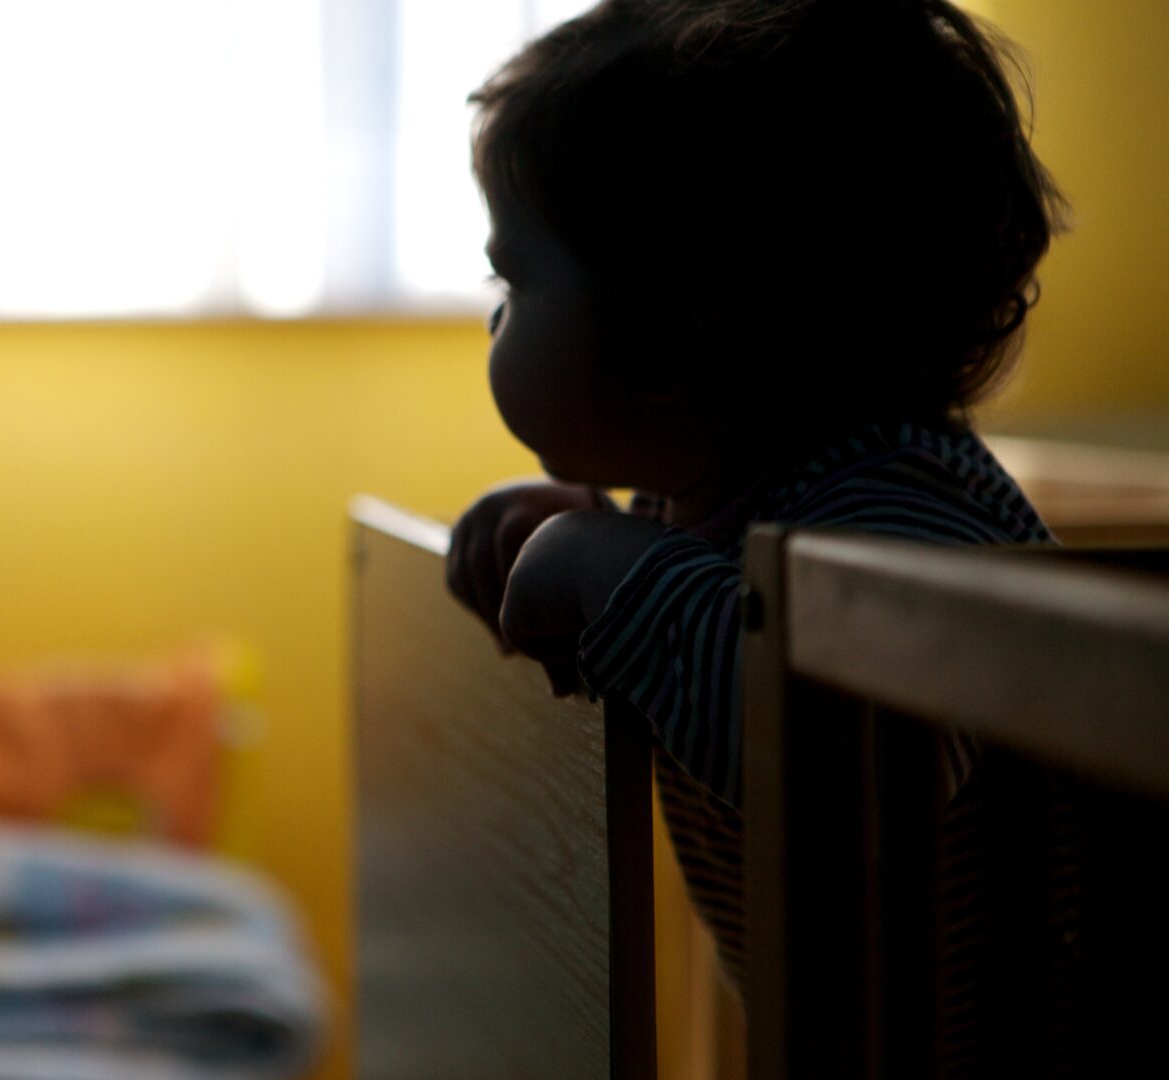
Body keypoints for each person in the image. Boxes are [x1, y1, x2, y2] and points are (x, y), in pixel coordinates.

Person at [444, 0, 1067, 1069]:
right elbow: (710, 605)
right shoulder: (734, 494)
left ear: (677, 333)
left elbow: (843, 762)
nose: (496, 316)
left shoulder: (895, 516)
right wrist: (594, 537)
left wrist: (615, 575)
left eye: (514, 277)